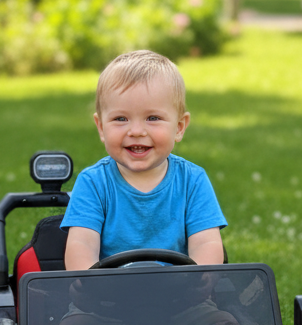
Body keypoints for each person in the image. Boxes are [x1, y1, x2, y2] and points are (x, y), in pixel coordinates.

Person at [62, 50, 227, 270]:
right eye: (121, 119)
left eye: (153, 118)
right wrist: (85, 280)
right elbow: (81, 244)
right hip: (107, 297)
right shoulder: (93, 183)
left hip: (181, 296)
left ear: (179, 127)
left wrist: (201, 278)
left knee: (218, 306)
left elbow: (207, 243)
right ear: (101, 127)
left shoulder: (192, 181)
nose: (137, 131)